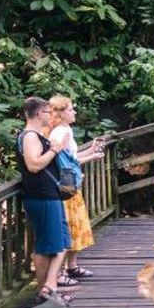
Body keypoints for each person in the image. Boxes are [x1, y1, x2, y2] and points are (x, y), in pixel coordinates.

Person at [16, 96, 73, 305]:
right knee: (45, 246)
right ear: (40, 113)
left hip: (50, 194)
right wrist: (55, 149)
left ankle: (50, 287)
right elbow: (33, 165)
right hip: (41, 195)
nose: (51, 116)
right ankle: (45, 292)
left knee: (63, 241)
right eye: (48, 112)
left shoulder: (38, 135)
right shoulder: (30, 136)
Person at [48, 95, 105, 286]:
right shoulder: (61, 133)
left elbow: (71, 156)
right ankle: (61, 272)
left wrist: (91, 152)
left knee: (77, 223)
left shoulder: (66, 130)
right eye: (71, 109)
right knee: (71, 224)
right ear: (62, 113)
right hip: (66, 184)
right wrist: (89, 159)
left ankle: (72, 266)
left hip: (70, 182)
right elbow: (62, 162)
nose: (75, 112)